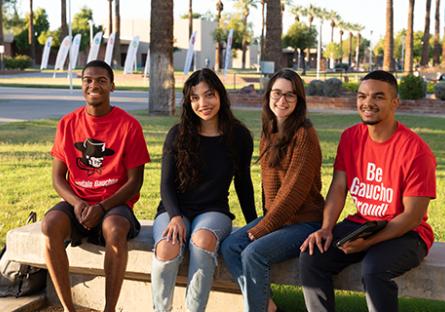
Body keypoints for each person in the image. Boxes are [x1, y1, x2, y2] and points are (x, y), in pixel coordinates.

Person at [299, 70, 436, 312]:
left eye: (378, 97)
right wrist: (327, 228)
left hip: (408, 233)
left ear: (395, 103)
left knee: (374, 270)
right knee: (313, 256)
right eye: (362, 96)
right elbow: (339, 187)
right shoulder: (351, 137)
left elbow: (413, 216)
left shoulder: (416, 151)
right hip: (363, 224)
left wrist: (368, 242)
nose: (367, 103)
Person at [41, 60, 150, 312]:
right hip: (78, 202)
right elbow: (58, 178)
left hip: (114, 204)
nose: (94, 85)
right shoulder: (67, 124)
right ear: (82, 85)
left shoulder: (129, 125)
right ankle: (69, 308)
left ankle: (109, 309)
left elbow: (135, 182)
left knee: (115, 228)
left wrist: (101, 207)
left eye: (101, 80)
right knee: (50, 225)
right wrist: (78, 203)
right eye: (88, 79)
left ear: (112, 86)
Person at [151, 68, 257, 312]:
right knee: (167, 247)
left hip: (213, 210)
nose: (203, 103)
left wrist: (254, 225)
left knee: (202, 240)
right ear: (189, 102)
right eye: (195, 98)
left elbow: (243, 183)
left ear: (220, 95)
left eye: (209, 95)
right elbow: (165, 184)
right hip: (174, 208)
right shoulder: (177, 134)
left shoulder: (239, 136)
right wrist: (175, 216)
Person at [221, 69, 324, 312]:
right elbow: (268, 187)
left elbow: (293, 193)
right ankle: (265, 305)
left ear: (299, 101)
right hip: (278, 219)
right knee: (229, 246)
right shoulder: (270, 131)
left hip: (305, 222)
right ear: (268, 96)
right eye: (277, 93)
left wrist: (263, 229)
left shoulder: (304, 135)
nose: (282, 100)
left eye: (290, 95)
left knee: (253, 254)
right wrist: (264, 222)